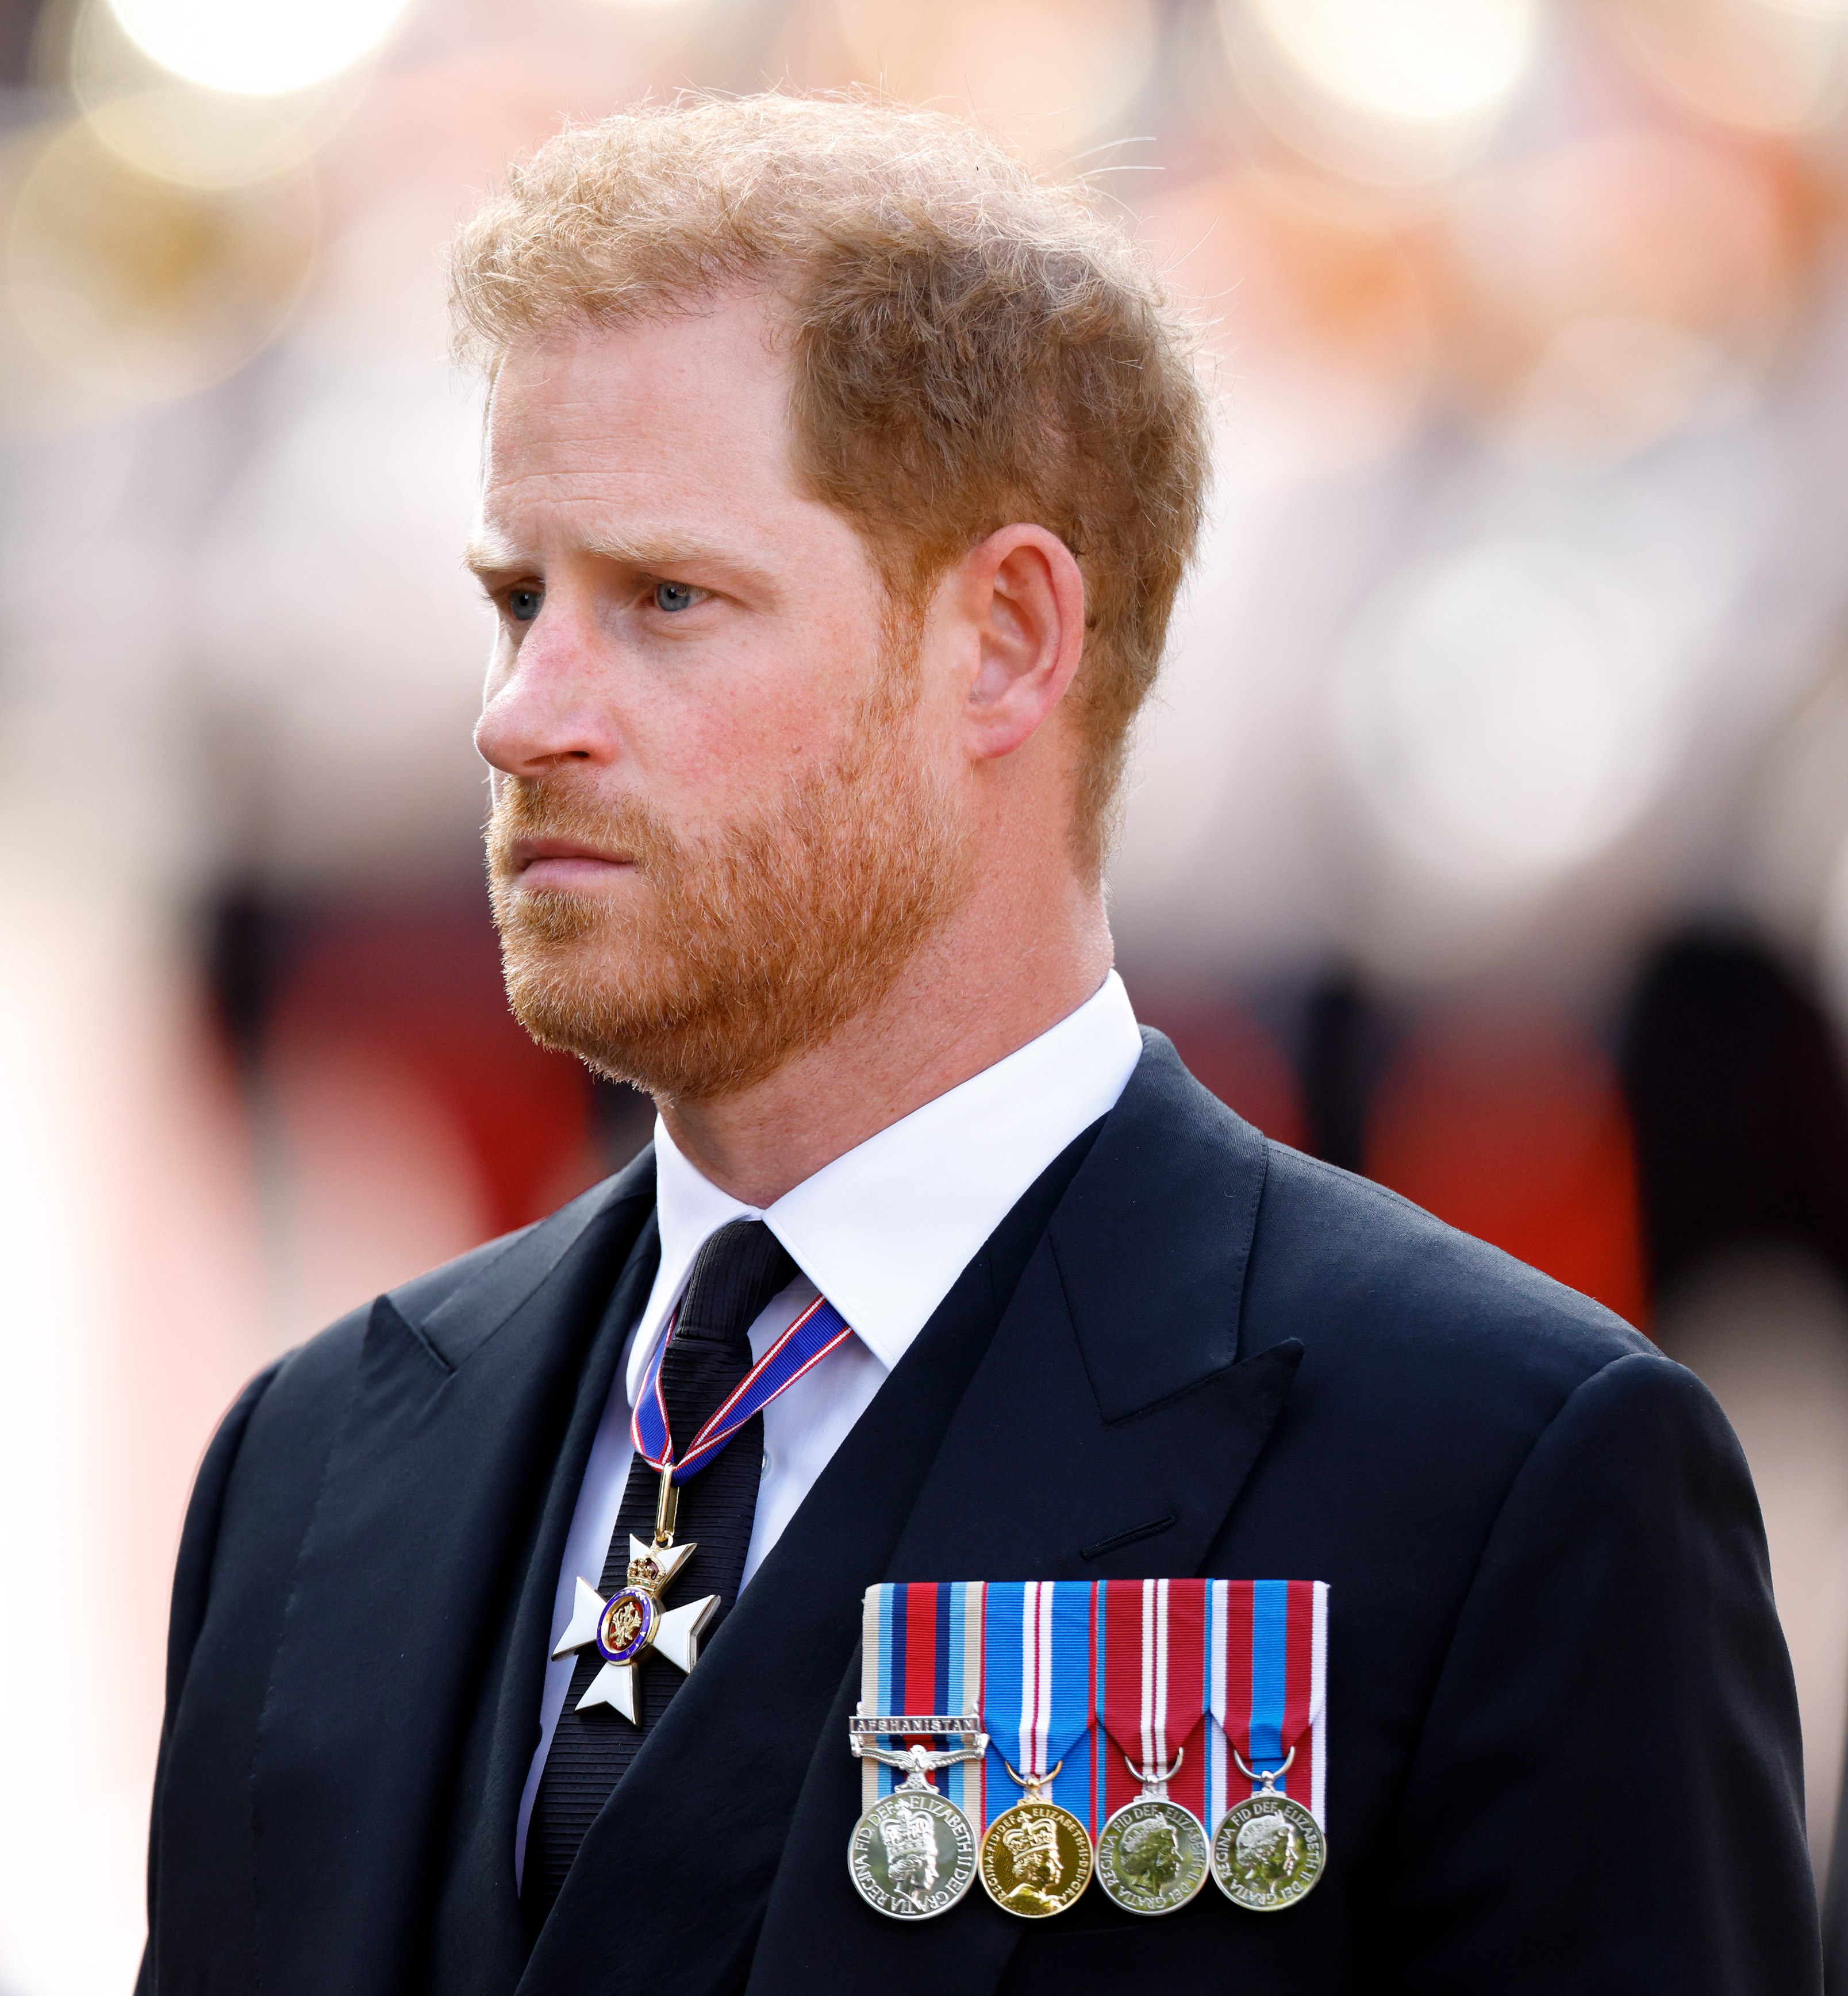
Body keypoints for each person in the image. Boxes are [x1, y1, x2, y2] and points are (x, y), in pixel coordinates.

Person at [136, 91, 1820, 1995]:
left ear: (1009, 640)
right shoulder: (313, 1460)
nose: (521, 714)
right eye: (519, 601)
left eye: (665, 600)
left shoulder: (1498, 1477)